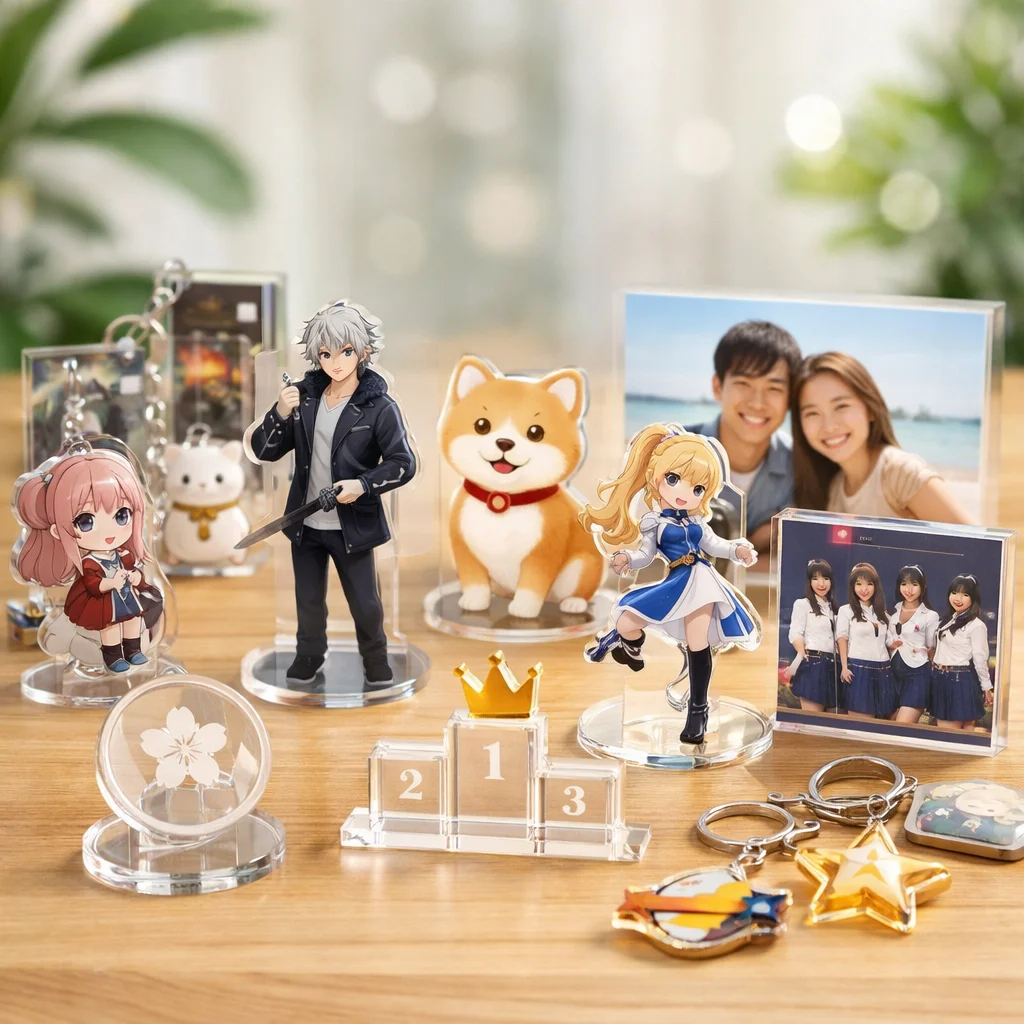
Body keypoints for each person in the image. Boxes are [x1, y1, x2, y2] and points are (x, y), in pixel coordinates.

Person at [247, 300, 416, 685]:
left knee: (365, 601)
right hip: (305, 523)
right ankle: (308, 655)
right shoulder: (304, 399)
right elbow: (264, 450)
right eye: (325, 354)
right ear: (315, 355)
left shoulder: (378, 407)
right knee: (307, 600)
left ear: (363, 351)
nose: (335, 363)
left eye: (345, 351)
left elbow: (403, 463)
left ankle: (375, 656)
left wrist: (362, 485)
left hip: (352, 525)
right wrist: (279, 412)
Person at [580, 425, 759, 745]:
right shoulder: (654, 522)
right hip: (675, 580)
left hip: (702, 581)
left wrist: (738, 550)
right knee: (625, 620)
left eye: (698, 488)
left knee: (697, 642)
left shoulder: (697, 522)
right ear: (655, 477)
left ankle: (697, 711)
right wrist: (627, 559)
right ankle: (628, 647)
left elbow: (716, 545)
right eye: (674, 479)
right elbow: (646, 555)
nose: (685, 492)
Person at [13, 447, 159, 672]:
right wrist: (111, 582)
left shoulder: (124, 554)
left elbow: (137, 572)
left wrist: (135, 577)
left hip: (126, 596)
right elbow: (92, 584)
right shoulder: (89, 562)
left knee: (133, 620)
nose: (108, 531)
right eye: (86, 521)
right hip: (102, 601)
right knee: (109, 627)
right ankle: (113, 657)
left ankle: (133, 650)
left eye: (121, 515)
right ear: (57, 531)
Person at [791, 351, 972, 523]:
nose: (829, 426)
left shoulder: (900, 473)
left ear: (870, 409)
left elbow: (977, 543)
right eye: (812, 413)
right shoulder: (835, 490)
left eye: (841, 406)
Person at [687, 320, 801, 553]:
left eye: (774, 388)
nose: (757, 403)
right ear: (717, 387)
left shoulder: (801, 466)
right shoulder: (672, 451)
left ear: (790, 397)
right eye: (743, 383)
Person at [931, 574, 993, 730]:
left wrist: (986, 687)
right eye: (954, 593)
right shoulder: (947, 620)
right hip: (942, 679)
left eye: (965, 594)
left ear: (973, 598)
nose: (958, 598)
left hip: (960, 681)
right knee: (956, 735)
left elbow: (980, 659)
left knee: (949, 735)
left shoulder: (976, 625)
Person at [836, 562, 896, 720]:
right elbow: (842, 639)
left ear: (876, 586)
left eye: (869, 584)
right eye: (859, 584)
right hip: (858, 669)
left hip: (883, 669)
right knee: (860, 722)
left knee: (882, 721)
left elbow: (890, 642)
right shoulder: (846, 610)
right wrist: (844, 667)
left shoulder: (883, 614)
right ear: (852, 587)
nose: (864, 589)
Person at [782, 558, 838, 713]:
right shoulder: (803, 604)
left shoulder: (834, 608)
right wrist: (802, 651)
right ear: (809, 582)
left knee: (832, 722)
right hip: (812, 664)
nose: (821, 584)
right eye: (815, 579)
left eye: (825, 578)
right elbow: (795, 633)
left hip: (833, 666)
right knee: (812, 719)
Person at [886, 564, 939, 725]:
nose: (909, 589)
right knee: (888, 726)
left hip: (917, 674)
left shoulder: (930, 616)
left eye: (914, 584)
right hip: (892, 674)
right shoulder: (893, 614)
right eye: (904, 584)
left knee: (902, 726)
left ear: (923, 587)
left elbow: (932, 646)